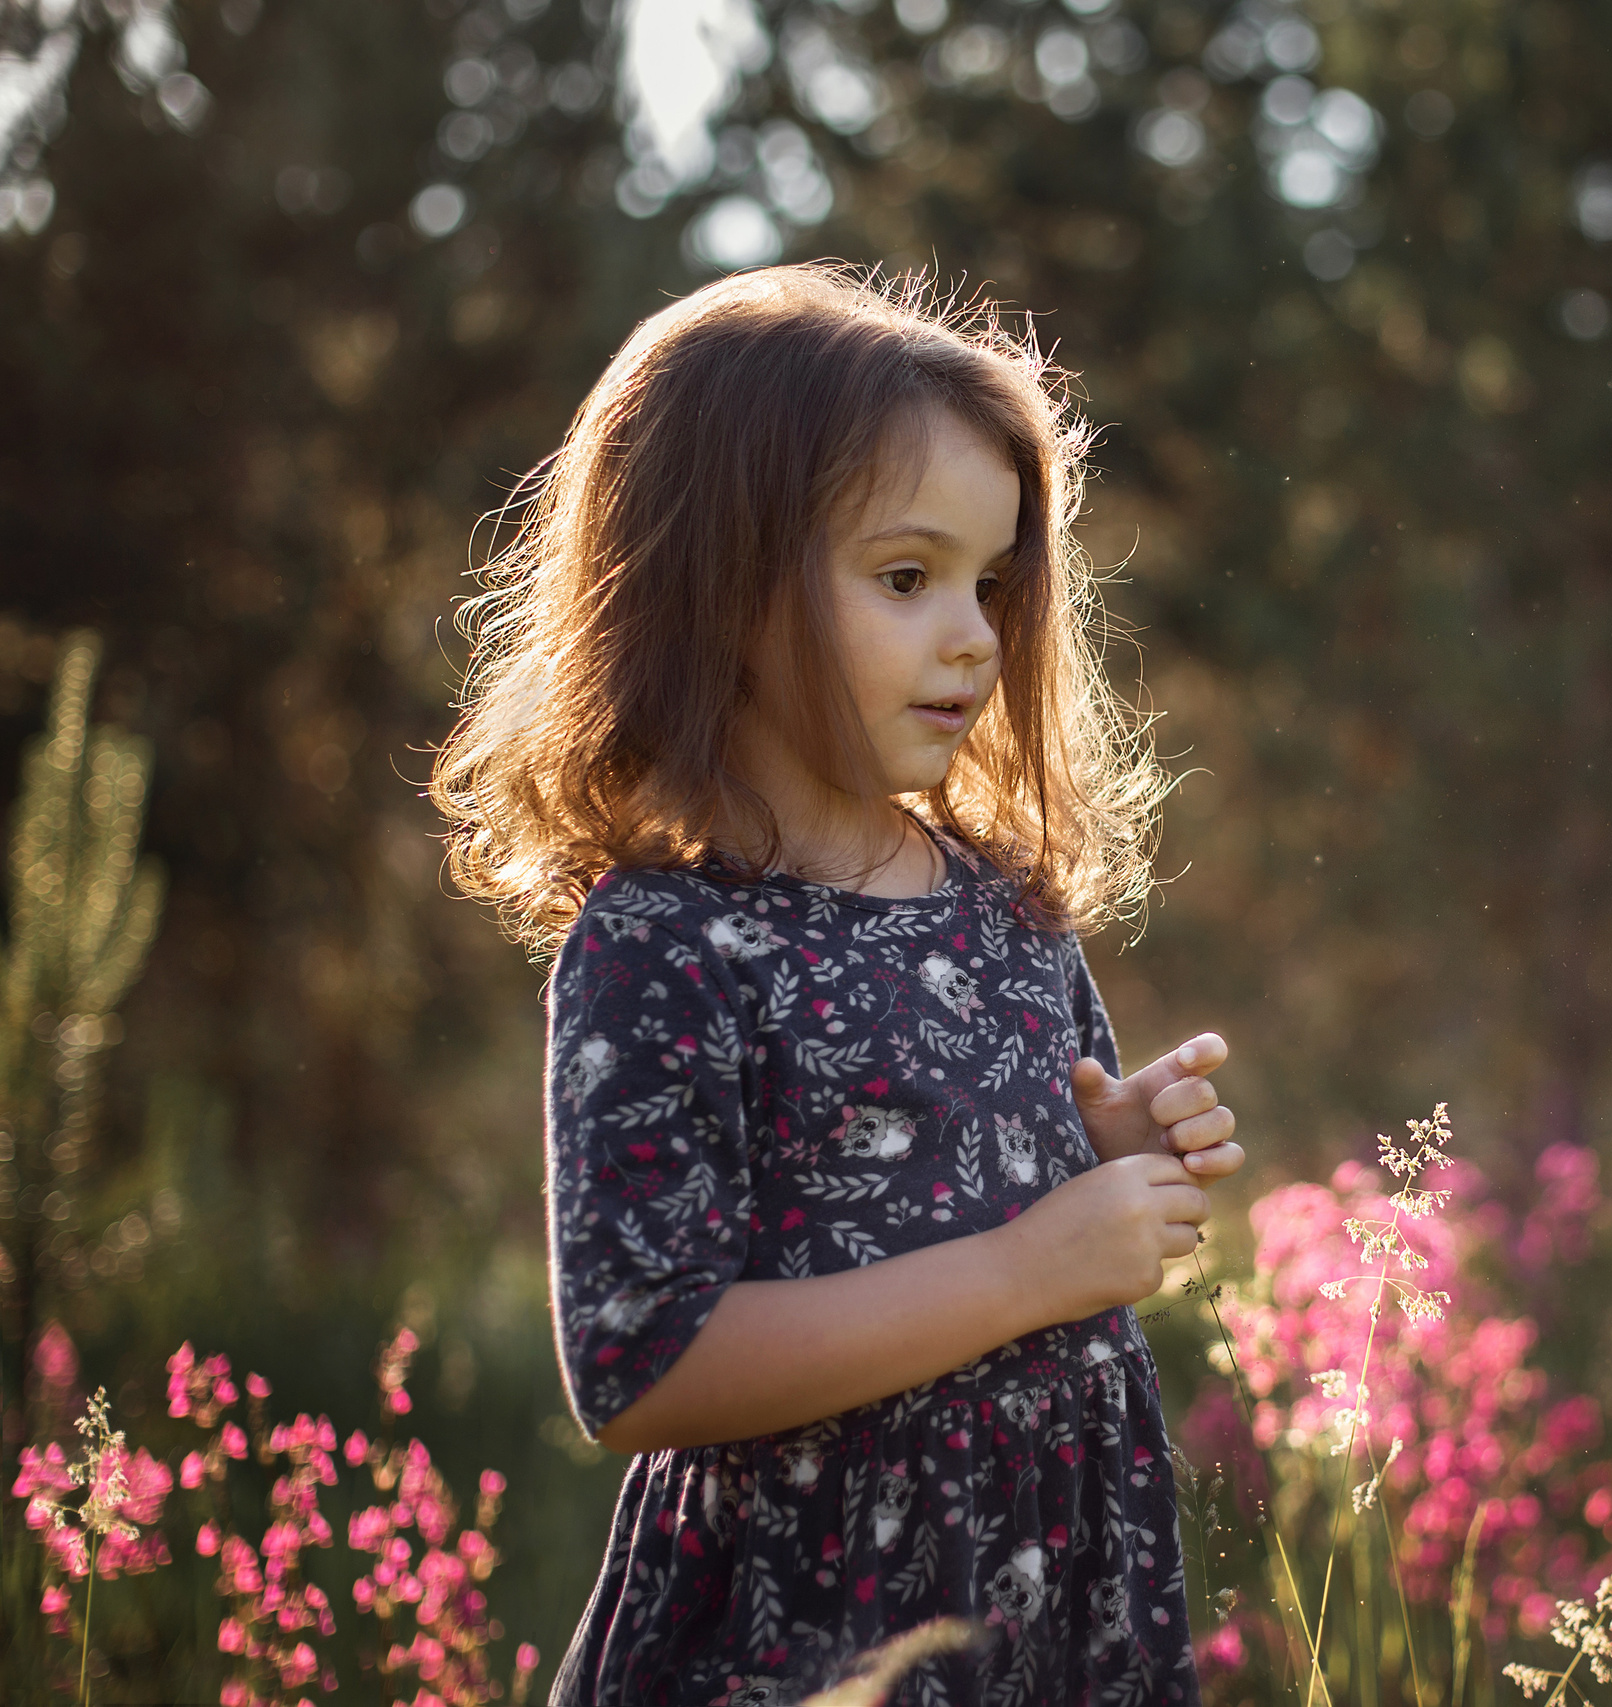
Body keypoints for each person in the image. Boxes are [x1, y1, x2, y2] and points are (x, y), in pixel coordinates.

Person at [430, 264, 1239, 1706]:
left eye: (992, 583)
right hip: (813, 1630)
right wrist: (1026, 1265)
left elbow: (1025, 1213)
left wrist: (1105, 1161)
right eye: (907, 577)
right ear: (717, 578)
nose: (975, 635)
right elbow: (641, 1366)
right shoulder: (667, 942)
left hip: (1051, 1600)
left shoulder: (1005, 908)